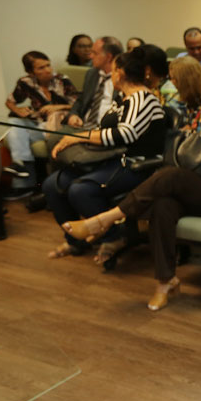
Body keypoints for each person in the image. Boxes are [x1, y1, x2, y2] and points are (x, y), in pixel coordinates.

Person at [61, 65, 201, 310]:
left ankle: (106, 219)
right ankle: (165, 282)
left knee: (170, 176)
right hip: (191, 183)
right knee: (163, 205)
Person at [43, 48, 166, 262]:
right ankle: (75, 241)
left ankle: (114, 237)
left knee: (80, 190)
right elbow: (103, 130)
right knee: (52, 185)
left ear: (121, 73)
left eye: (113, 70)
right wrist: (77, 137)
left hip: (136, 165)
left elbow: (126, 134)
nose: (111, 75)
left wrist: (79, 137)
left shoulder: (144, 99)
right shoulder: (122, 98)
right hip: (108, 160)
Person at [3, 51, 79, 198]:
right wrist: (18, 110)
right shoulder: (26, 82)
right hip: (38, 123)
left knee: (16, 134)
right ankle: (21, 165)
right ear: (31, 72)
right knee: (14, 122)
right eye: (41, 68)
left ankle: (23, 179)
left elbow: (79, 104)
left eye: (48, 65)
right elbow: (10, 101)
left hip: (58, 123)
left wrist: (57, 107)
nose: (48, 70)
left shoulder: (62, 80)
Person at [66, 36, 124, 130]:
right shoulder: (92, 74)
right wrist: (73, 115)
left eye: (95, 53)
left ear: (108, 57)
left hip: (106, 130)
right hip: (83, 125)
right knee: (53, 136)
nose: (90, 56)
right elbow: (81, 100)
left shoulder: (124, 78)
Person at [165, 56, 201, 126]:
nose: (172, 82)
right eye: (170, 78)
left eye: (174, 78)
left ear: (186, 80)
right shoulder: (174, 97)